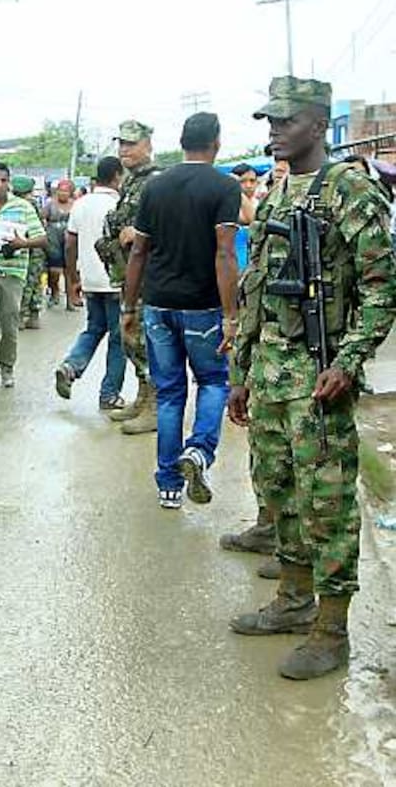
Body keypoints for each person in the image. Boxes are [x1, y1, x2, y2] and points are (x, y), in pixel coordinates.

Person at [228, 76, 396, 680]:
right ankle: (293, 601)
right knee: (279, 493)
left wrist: (348, 362)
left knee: (325, 504)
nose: (273, 130)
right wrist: (241, 370)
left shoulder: (349, 190)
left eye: (286, 120)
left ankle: (332, 630)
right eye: (270, 120)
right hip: (271, 376)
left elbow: (382, 287)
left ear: (319, 125)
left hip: (317, 375)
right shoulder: (276, 193)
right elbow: (257, 291)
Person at [122, 112, 240, 510]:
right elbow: (225, 253)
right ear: (216, 143)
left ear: (182, 141)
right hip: (204, 308)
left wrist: (128, 305)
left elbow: (139, 250)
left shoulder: (156, 188)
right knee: (213, 382)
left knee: (170, 393)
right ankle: (200, 451)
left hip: (158, 305)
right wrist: (231, 313)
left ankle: (168, 485)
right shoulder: (225, 187)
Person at [95, 120, 164, 436]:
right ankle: (142, 397)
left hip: (150, 276)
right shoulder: (133, 182)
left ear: (148, 144)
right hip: (130, 275)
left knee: (147, 341)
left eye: (131, 144)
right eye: (121, 144)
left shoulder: (155, 181)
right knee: (132, 339)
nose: (124, 150)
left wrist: (137, 233)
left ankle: (155, 407)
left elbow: (167, 225)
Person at [54, 156, 127, 410]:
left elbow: (70, 242)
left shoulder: (81, 204)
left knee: (94, 328)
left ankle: (71, 365)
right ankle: (109, 394)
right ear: (118, 176)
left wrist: (73, 277)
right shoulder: (120, 204)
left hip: (90, 279)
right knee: (119, 339)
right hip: (117, 282)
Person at [0, 162, 47, 394]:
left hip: (13, 273)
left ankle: (7, 367)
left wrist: (22, 243)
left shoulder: (23, 207)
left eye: (4, 180)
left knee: (9, 325)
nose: (0, 185)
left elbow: (42, 239)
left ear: (9, 182)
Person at [14, 176, 48, 329]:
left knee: (24, 282)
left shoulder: (14, 204)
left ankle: (21, 315)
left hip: (22, 247)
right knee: (35, 282)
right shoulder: (34, 204)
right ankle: (34, 315)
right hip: (37, 248)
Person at [42, 179, 76, 309]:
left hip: (69, 240)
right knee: (54, 270)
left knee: (69, 270)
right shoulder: (50, 204)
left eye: (66, 191)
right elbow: (42, 217)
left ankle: (70, 300)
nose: (63, 194)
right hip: (53, 239)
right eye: (61, 191)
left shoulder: (74, 205)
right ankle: (54, 291)